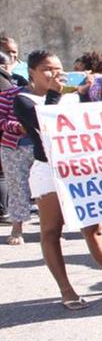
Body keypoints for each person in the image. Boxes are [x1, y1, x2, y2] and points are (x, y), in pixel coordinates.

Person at [12, 50, 102, 309]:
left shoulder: (71, 96)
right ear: (32, 73)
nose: (54, 74)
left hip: (79, 168)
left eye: (59, 68)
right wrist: (55, 93)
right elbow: (46, 125)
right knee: (51, 231)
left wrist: (82, 91)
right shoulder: (23, 100)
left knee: (93, 228)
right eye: (48, 69)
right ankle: (67, 290)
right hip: (48, 170)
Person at [0, 52, 31, 243]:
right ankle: (17, 229)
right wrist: (16, 127)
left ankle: (52, 229)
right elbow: (1, 120)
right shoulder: (10, 94)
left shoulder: (54, 98)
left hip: (44, 151)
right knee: (17, 187)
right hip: (14, 147)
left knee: (47, 191)